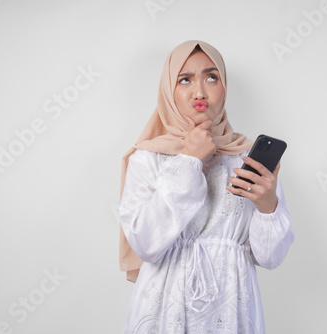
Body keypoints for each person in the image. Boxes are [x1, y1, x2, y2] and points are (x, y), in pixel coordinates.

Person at [118, 40, 294, 333]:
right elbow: (146, 243)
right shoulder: (147, 158)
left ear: (224, 87)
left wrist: (268, 208)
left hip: (232, 306)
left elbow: (271, 258)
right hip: (163, 308)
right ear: (168, 91)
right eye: (184, 79)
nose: (199, 91)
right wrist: (189, 160)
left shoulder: (245, 157)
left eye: (211, 77)